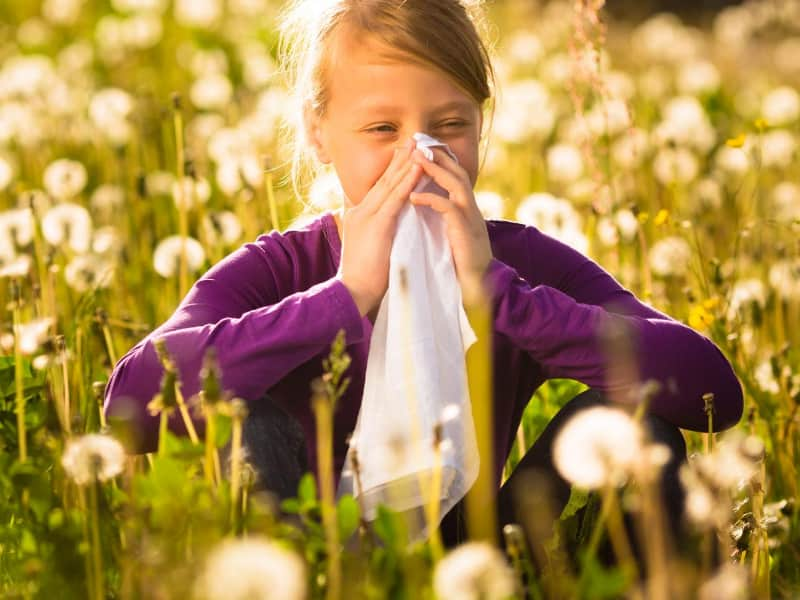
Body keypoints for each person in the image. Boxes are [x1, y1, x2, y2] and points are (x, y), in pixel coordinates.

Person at [104, 0, 743, 555]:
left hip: (484, 550)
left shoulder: (515, 263)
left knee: (641, 426)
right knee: (247, 423)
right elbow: (130, 404)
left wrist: (497, 296)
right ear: (318, 131)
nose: (420, 155)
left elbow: (712, 392)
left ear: (481, 124)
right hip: (307, 546)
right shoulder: (282, 267)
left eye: (449, 126)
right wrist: (343, 298)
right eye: (383, 128)